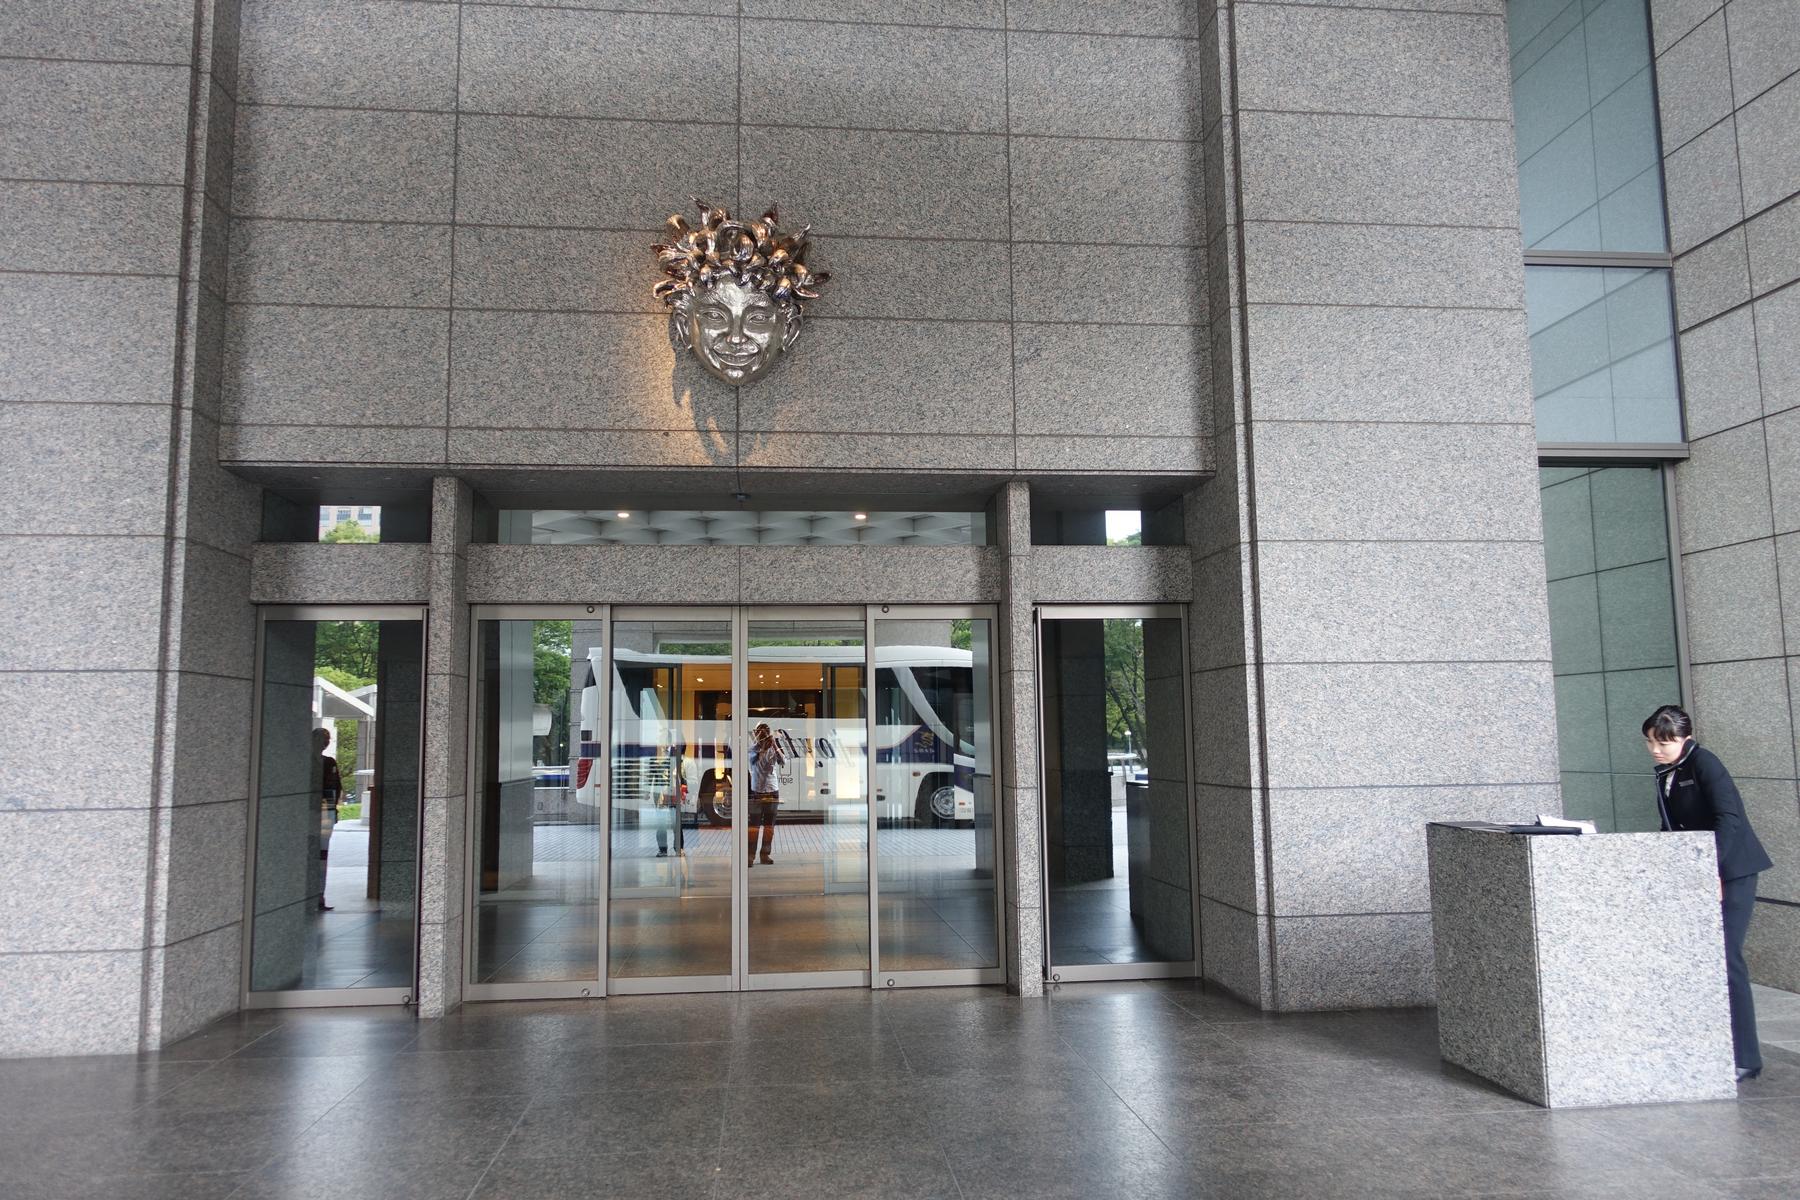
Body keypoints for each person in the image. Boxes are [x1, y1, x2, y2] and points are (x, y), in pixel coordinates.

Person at [1644, 704, 1774, 1082]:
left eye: (1665, 743)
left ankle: (1745, 1057)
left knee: (1726, 957)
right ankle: (1706, 1046)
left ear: (1686, 738)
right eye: (1651, 742)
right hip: (1697, 874)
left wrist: (1712, 869)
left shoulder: (1705, 764)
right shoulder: (1668, 771)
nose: (1656, 750)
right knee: (1697, 958)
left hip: (1731, 871)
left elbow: (1728, 820)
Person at [746, 722, 785, 868]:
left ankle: (765, 855)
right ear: (756, 734)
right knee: (754, 826)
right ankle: (750, 856)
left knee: (769, 826)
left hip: (772, 790)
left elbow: (783, 761)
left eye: (765, 732)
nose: (762, 735)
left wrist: (774, 745)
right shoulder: (752, 749)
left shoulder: (773, 748)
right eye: (760, 732)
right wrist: (763, 749)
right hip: (757, 791)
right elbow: (756, 763)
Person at [314, 727, 342, 912]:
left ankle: (320, 895)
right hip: (313, 813)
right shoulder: (307, 762)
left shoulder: (330, 762)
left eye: (328, 739)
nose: (326, 742)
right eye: (322, 738)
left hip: (326, 813)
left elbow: (336, 788)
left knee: (322, 855)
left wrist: (332, 811)